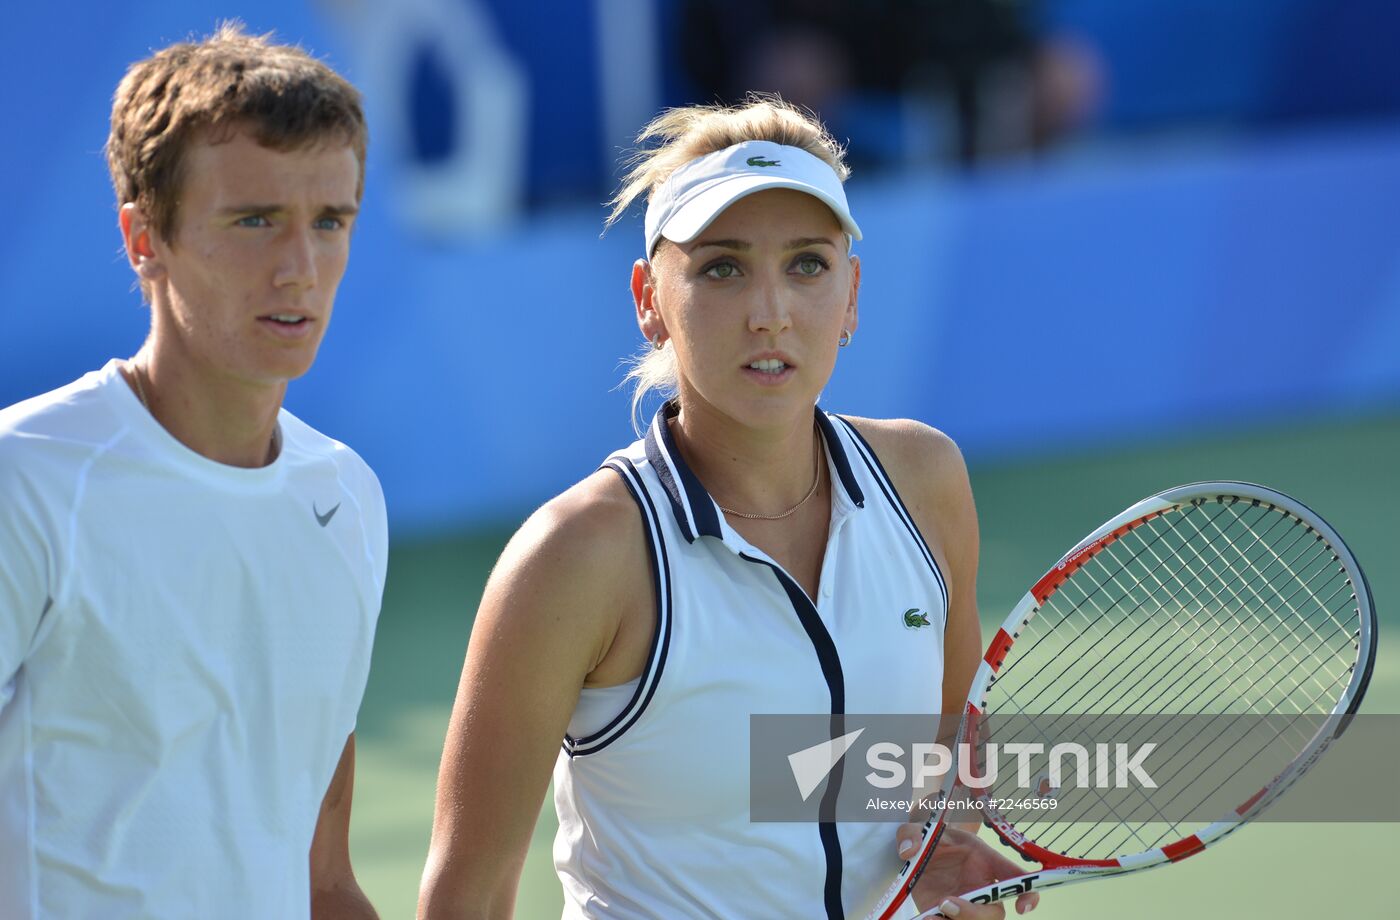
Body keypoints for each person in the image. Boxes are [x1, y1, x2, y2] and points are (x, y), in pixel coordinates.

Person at [418, 98, 1036, 919]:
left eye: (808, 265)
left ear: (851, 295)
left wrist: (943, 854)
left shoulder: (926, 480)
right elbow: (467, 895)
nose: (770, 312)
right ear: (649, 300)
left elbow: (938, 759)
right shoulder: (576, 555)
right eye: (722, 267)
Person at [0, 24, 384, 919]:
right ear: (145, 238)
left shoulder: (348, 497)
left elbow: (322, 877)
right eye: (255, 221)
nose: (301, 268)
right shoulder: (25, 481)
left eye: (330, 221)